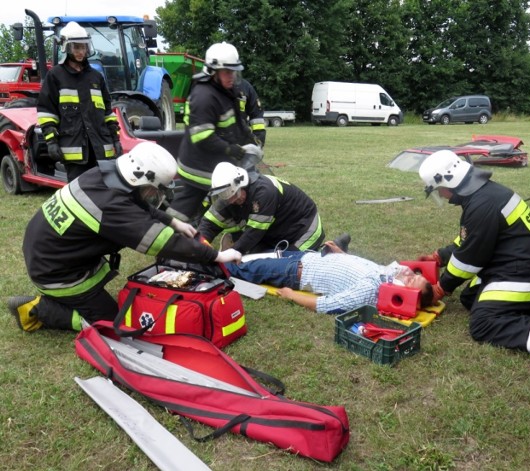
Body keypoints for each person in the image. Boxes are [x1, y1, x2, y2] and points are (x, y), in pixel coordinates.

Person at [7, 142, 241, 333]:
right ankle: (40, 308)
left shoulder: (103, 174)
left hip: (53, 253)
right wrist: (216, 255)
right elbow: (163, 243)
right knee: (111, 323)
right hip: (56, 273)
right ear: (140, 178)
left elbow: (136, 202)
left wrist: (172, 221)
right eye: (155, 188)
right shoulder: (110, 206)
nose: (154, 194)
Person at [418, 150, 530, 375]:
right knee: (470, 297)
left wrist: (442, 287)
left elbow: (469, 259)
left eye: (439, 191)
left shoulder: (482, 205)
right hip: (515, 268)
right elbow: (469, 240)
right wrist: (440, 256)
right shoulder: (484, 195)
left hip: (522, 275)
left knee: (483, 322)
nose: (442, 196)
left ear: (449, 181)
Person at [166, 41, 266, 223]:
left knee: (235, 192)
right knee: (188, 205)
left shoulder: (225, 91)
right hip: (199, 165)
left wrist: (251, 141)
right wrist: (231, 149)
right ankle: (169, 234)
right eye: (227, 72)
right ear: (213, 71)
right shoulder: (204, 96)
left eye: (234, 71)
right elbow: (202, 137)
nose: (231, 76)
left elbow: (237, 123)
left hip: (215, 161)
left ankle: (238, 228)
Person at [225, 241, 433, 314]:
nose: (410, 273)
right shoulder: (385, 276)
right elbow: (362, 265)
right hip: (310, 257)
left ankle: (211, 262)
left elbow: (327, 305)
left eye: (412, 280)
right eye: (416, 275)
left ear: (405, 294)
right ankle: (229, 257)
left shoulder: (372, 293)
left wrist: (291, 296)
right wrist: (341, 254)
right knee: (259, 256)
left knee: (241, 270)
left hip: (295, 272)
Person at [37, 22, 123, 182]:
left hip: (100, 149)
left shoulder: (96, 77)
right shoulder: (55, 76)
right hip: (74, 151)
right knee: (79, 194)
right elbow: (47, 112)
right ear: (66, 47)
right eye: (76, 47)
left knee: (105, 192)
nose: (81, 51)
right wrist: (51, 141)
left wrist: (116, 139)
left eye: (83, 47)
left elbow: (107, 112)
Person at [197, 162, 324, 254]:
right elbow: (208, 224)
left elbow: (254, 233)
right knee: (254, 258)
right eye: (228, 199)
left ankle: (331, 252)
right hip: (274, 232)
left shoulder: (264, 192)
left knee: (288, 264)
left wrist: (229, 255)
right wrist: (198, 248)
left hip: (303, 228)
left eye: (235, 195)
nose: (233, 201)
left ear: (242, 184)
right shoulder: (228, 196)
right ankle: (236, 242)